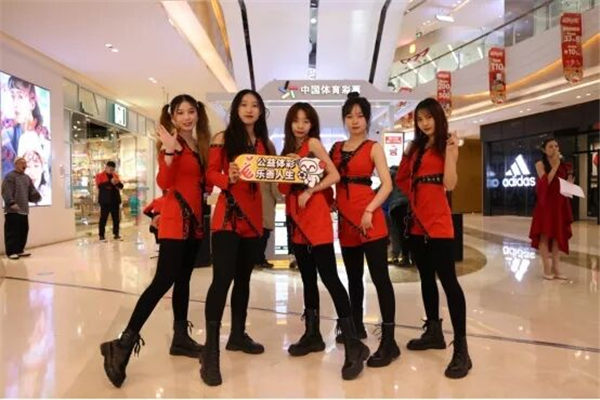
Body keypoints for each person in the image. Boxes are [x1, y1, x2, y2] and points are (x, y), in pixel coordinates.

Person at [100, 95, 211, 388]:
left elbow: (202, 183)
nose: (186, 117)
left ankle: (180, 337)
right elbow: (164, 181)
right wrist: (170, 151)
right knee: (163, 281)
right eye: (180, 113)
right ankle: (122, 343)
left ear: (197, 114)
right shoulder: (170, 145)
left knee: (183, 280)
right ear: (172, 118)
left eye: (190, 111)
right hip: (175, 220)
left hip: (194, 223)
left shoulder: (199, 145)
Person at [278, 102, 370, 378]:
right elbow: (283, 188)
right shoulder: (287, 150)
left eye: (306, 121)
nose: (301, 126)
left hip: (315, 216)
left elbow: (335, 175)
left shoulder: (314, 144)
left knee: (330, 277)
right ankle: (312, 334)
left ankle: (353, 343)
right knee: (307, 279)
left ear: (312, 124)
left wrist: (310, 189)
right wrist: (290, 167)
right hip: (297, 219)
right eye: (296, 121)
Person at [200, 89, 274, 386]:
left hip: (254, 221)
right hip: (228, 217)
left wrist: (293, 164)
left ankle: (237, 335)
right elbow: (210, 174)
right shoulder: (223, 138)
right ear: (235, 108)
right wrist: (226, 178)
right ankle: (210, 352)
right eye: (244, 104)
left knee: (243, 280)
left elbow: (274, 177)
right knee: (222, 280)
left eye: (255, 105)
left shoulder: (264, 144)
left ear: (261, 111)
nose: (249, 109)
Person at [396, 97, 470, 379]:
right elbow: (402, 179)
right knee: (426, 278)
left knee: (449, 282)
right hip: (417, 223)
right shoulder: (416, 147)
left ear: (438, 118)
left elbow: (450, 183)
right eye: (420, 119)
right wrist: (416, 193)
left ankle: (461, 349)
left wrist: (451, 153)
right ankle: (434, 332)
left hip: (438, 223)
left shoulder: (446, 144)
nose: (425, 123)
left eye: (429, 117)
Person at [330, 93, 399, 368]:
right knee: (353, 278)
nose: (354, 121)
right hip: (346, 222)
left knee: (381, 279)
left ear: (367, 119)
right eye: (349, 116)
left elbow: (387, 185)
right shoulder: (336, 148)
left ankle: (389, 341)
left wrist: (370, 209)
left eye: (360, 116)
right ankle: (356, 327)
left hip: (370, 220)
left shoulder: (373, 147)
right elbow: (329, 177)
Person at [529, 137, 573, 280]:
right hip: (545, 205)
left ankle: (556, 268)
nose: (554, 149)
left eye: (556, 146)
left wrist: (570, 183)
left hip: (559, 204)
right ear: (544, 150)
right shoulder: (540, 164)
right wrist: (555, 166)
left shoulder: (564, 165)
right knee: (545, 235)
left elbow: (564, 184)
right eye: (551, 146)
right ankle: (546, 268)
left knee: (556, 237)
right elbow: (545, 182)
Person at [2, 157, 41, 259]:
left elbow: (32, 191)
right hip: (12, 210)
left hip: (24, 210)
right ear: (16, 164)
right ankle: (11, 252)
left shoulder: (26, 178)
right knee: (12, 231)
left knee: (23, 231)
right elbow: (6, 191)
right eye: (22, 163)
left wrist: (37, 197)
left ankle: (19, 250)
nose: (24, 165)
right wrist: (11, 203)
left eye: (25, 163)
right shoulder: (10, 176)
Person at [388, 165, 411, 266]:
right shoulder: (407, 175)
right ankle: (408, 257)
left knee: (398, 233)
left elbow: (384, 188)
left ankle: (403, 257)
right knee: (406, 233)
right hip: (408, 206)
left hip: (397, 207)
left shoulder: (392, 174)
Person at [95, 161, 124, 241]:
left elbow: (121, 186)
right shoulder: (99, 175)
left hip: (115, 200)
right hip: (105, 201)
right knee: (103, 218)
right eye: (110, 169)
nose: (111, 171)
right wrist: (110, 182)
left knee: (116, 219)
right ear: (106, 167)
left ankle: (116, 234)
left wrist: (117, 183)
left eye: (113, 169)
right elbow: (100, 186)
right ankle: (101, 235)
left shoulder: (115, 175)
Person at [257, 182, 281, 268]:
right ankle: (259, 259)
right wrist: (281, 197)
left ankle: (256, 259)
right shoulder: (270, 176)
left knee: (258, 234)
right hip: (266, 204)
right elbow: (275, 191)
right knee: (264, 234)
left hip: (257, 204)